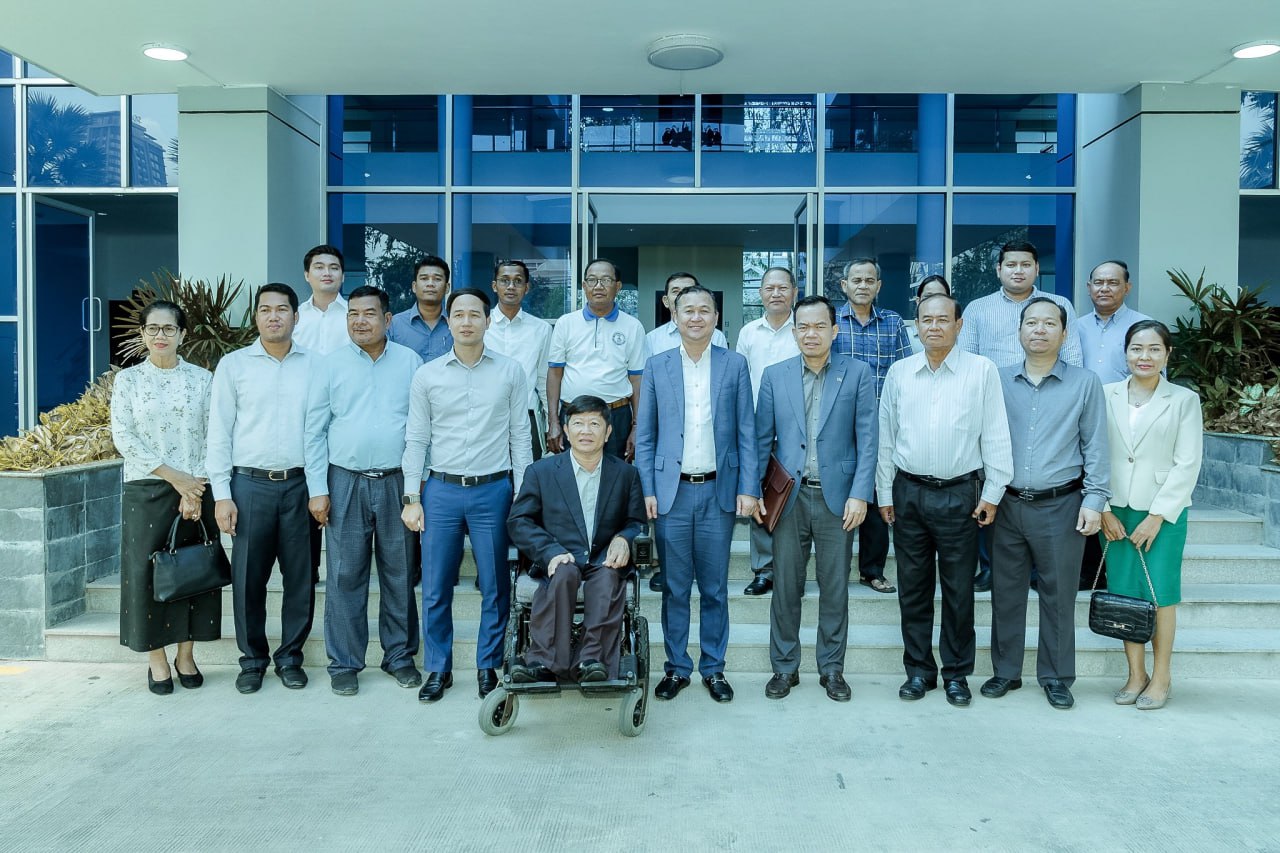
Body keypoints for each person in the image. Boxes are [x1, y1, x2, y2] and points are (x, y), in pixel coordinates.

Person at [876, 293, 1013, 708]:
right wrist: (885, 493)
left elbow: (995, 434)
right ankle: (919, 671)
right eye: (926, 320)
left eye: (942, 319)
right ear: (915, 325)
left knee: (958, 591)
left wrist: (993, 493)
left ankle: (956, 674)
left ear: (958, 325)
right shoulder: (900, 372)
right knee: (912, 589)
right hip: (909, 493)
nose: (934, 326)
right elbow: (886, 438)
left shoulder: (981, 370)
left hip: (960, 495)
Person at [401, 288, 533, 703]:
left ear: (487, 321)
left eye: (475, 314)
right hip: (440, 491)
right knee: (436, 585)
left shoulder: (510, 371)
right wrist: (411, 496)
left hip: (493, 490)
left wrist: (523, 492)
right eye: (458, 314)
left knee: (495, 585)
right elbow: (416, 438)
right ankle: (438, 668)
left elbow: (520, 436)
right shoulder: (427, 375)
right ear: (449, 321)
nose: (466, 322)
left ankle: (487, 666)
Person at [635, 284, 759, 704]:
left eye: (704, 310)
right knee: (674, 587)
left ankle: (713, 668)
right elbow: (646, 436)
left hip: (717, 492)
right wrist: (647, 489)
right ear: (674, 316)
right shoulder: (658, 365)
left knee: (714, 588)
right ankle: (676, 667)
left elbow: (746, 432)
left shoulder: (734, 364)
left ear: (716, 317)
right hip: (672, 494)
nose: (696, 317)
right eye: (687, 310)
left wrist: (748, 488)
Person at [983, 297, 1110, 710]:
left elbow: (1096, 446)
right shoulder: (997, 380)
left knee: (1058, 595)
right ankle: (1005, 671)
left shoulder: (1085, 383)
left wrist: (1095, 500)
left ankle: (1056, 676)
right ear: (1019, 331)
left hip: (1062, 505)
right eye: (1031, 323)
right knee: (1006, 593)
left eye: (1049, 323)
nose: (1039, 329)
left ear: (1064, 333)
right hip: (1006, 504)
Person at [754, 295, 876, 702]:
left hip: (838, 501)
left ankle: (832, 669)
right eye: (803, 327)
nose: (811, 334)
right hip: (789, 498)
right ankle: (784, 668)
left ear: (834, 330)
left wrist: (860, 494)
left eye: (820, 326)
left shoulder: (858, 373)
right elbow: (761, 440)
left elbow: (868, 440)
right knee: (786, 588)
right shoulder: (775, 376)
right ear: (793, 332)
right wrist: (755, 490)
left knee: (834, 588)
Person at [304, 285, 424, 696]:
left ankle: (399, 657)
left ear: (387, 319)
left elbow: (421, 428)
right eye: (352, 314)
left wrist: (416, 488)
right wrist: (317, 489)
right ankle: (344, 663)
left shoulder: (410, 362)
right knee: (344, 575)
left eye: (369, 313)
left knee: (399, 573)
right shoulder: (330, 365)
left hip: (397, 481)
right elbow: (314, 431)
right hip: (346, 481)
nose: (359, 321)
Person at [207, 284, 315, 694]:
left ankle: (290, 658)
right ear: (256, 317)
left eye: (282, 309)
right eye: (266, 309)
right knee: (248, 579)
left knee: (300, 578)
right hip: (249, 485)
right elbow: (219, 432)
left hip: (300, 485)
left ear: (295, 317)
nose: (274, 316)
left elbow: (320, 431)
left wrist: (319, 489)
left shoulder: (315, 365)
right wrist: (222, 494)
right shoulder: (233, 366)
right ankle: (252, 660)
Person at [110, 300, 221, 695]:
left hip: (197, 488)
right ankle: (156, 659)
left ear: (182, 334)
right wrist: (176, 479)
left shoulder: (202, 379)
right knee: (147, 575)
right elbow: (123, 436)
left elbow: (214, 434)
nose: (161, 335)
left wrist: (195, 488)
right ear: (142, 334)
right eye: (153, 329)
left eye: (169, 328)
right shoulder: (128, 381)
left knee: (194, 572)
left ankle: (186, 655)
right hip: (147, 488)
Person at [958, 241, 1080, 593]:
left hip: (1049, 405)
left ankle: (1039, 569)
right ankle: (990, 566)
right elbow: (967, 362)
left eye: (1026, 264)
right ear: (999, 269)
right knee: (993, 482)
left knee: (1039, 483)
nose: (1018, 270)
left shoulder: (1059, 305)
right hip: (995, 407)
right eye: (1011, 264)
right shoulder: (979, 309)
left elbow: (1073, 358)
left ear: (1037, 269)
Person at [506, 395, 647, 683]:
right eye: (579, 424)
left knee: (608, 577)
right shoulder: (541, 472)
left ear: (608, 432)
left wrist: (624, 538)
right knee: (564, 573)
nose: (586, 431)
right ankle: (544, 661)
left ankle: (592, 660)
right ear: (566, 431)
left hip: (603, 557)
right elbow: (519, 521)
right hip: (560, 556)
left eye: (594, 424)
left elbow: (637, 522)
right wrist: (549, 552)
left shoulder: (626, 474)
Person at [1100, 320, 1203, 711]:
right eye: (1137, 348)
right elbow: (1091, 453)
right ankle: (1135, 674)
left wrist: (1157, 515)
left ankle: (1161, 678)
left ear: (1167, 354)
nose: (1144, 356)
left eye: (1154, 349)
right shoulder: (1105, 394)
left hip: (1164, 512)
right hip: (1115, 510)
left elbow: (1187, 462)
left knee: (1161, 595)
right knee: (1125, 593)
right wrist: (1103, 507)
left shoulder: (1183, 400)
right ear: (1125, 353)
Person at [834, 257, 912, 595]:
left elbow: (906, 371)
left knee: (878, 494)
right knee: (838, 493)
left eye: (869, 280)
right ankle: (833, 568)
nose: (863, 285)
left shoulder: (893, 322)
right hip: (839, 422)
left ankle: (872, 570)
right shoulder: (832, 321)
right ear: (844, 285)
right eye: (856, 280)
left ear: (878, 286)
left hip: (882, 423)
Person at [735, 266, 800, 596]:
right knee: (758, 493)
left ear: (794, 292)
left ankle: (791, 569)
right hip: (756, 428)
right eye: (769, 288)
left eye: (783, 287)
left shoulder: (802, 329)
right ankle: (764, 569)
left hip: (795, 427)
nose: (776, 293)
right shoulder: (749, 333)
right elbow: (740, 381)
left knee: (794, 499)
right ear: (760, 293)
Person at [546, 258, 646, 460]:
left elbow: (637, 379)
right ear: (584, 286)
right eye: (592, 280)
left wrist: (637, 426)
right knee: (572, 475)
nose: (598, 286)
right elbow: (555, 374)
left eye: (606, 280)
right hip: (573, 414)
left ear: (618, 286)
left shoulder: (633, 326)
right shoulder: (566, 323)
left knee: (615, 475)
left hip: (616, 416)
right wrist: (553, 421)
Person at [485, 259, 552, 461]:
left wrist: (552, 422)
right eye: (504, 280)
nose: (511, 286)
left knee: (529, 477)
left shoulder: (541, 329)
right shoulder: (482, 325)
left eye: (518, 281)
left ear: (527, 287)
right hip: (486, 418)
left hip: (527, 416)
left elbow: (544, 380)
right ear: (494, 286)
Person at [1077, 260, 1152, 385]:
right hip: (1083, 397)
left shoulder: (1146, 327)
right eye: (1098, 283)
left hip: (1128, 397)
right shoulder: (1076, 327)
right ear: (1089, 288)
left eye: (1113, 283)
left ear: (1127, 288)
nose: (1104, 289)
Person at [643, 272, 728, 360]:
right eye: (676, 291)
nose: (682, 296)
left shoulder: (717, 336)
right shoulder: (651, 339)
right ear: (666, 301)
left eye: (688, 290)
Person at [388, 255, 454, 363]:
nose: (430, 284)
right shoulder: (394, 325)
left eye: (437, 279)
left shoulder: (457, 325)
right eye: (424, 278)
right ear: (414, 286)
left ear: (447, 287)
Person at [293, 244, 350, 356]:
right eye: (319, 267)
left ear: (343, 276)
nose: (327, 273)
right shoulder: (295, 316)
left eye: (334, 268)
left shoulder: (354, 314)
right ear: (307, 275)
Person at [906, 275, 951, 354]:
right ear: (918, 301)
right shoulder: (905, 335)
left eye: (940, 297)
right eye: (928, 297)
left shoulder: (957, 335)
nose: (934, 302)